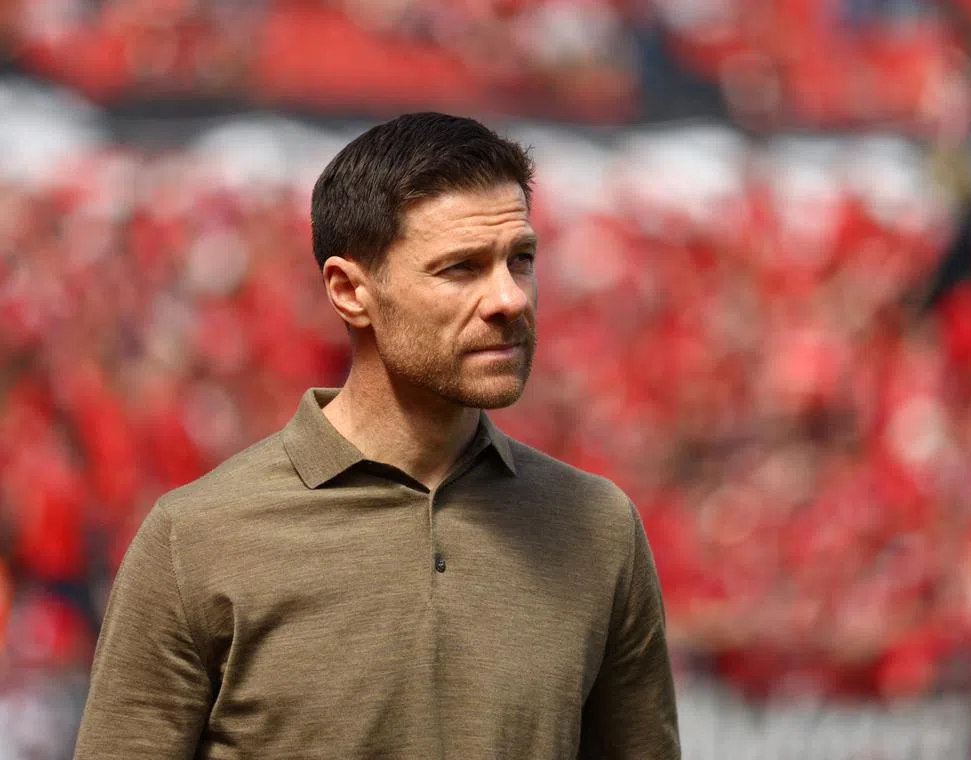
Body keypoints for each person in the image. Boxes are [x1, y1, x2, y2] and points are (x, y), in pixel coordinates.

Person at [73, 113, 680, 759]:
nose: (510, 298)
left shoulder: (599, 527)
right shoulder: (196, 538)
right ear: (350, 292)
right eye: (461, 268)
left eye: (520, 260)